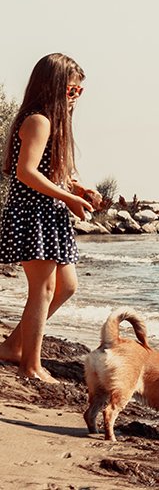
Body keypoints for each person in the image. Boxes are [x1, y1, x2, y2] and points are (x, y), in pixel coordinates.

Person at [0, 53, 100, 381]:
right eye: (72, 91)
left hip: (50, 214)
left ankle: (14, 345)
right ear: (54, 87)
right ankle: (30, 365)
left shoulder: (53, 123)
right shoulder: (38, 120)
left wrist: (79, 189)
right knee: (42, 290)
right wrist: (68, 197)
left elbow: (53, 171)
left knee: (66, 287)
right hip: (33, 214)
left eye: (80, 93)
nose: (76, 99)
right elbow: (26, 172)